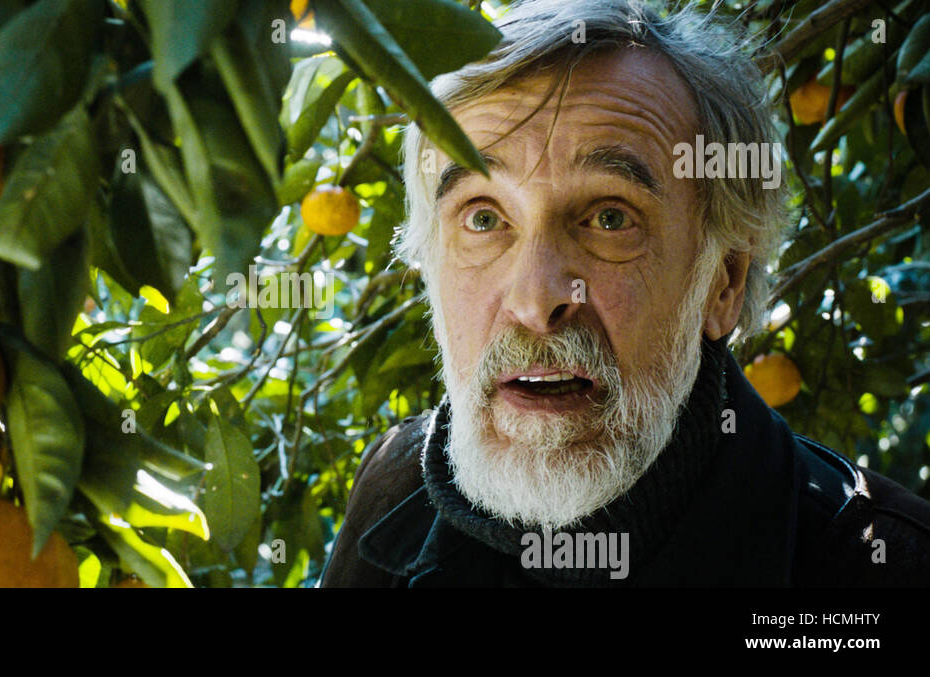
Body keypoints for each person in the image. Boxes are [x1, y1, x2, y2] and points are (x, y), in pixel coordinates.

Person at [320, 0, 930, 587]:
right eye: (483, 219)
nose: (535, 303)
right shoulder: (392, 486)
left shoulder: (892, 567)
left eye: (610, 218)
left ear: (724, 282)